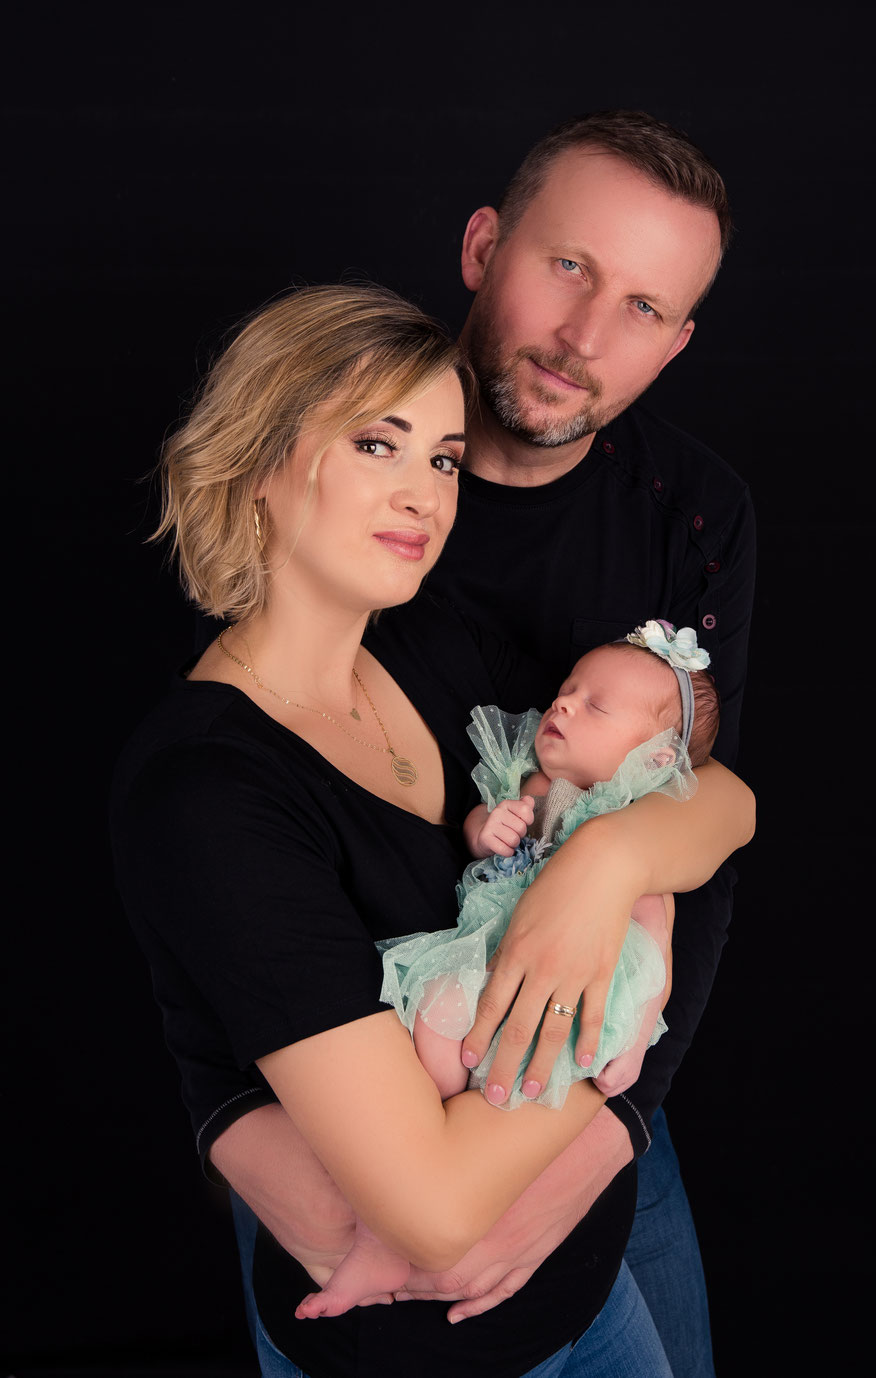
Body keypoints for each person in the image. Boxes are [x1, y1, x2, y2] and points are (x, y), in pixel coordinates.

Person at [111, 283, 754, 1378]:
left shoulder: (435, 644)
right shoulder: (206, 790)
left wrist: (607, 860)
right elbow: (440, 1215)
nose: (424, 496)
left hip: (586, 1290)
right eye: (378, 444)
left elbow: (721, 798)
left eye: (445, 459)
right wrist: (615, 1041)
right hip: (425, 1346)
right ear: (261, 458)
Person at [297, 623, 719, 1321]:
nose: (564, 706)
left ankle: (420, 1216)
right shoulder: (526, 778)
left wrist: (641, 1032)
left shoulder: (636, 821)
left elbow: (657, 938)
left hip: (577, 991)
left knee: (508, 1103)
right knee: (432, 1021)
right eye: (566, 691)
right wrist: (486, 827)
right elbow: (479, 831)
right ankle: (407, 1194)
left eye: (595, 707)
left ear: (656, 756)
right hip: (489, 955)